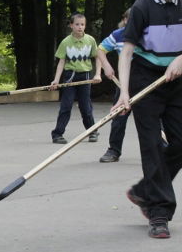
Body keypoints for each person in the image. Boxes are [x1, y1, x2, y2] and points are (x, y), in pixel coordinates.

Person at [116, 0, 182, 239]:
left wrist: (180, 60)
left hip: (172, 81)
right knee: (152, 146)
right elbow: (126, 52)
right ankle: (159, 213)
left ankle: (143, 191)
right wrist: (123, 94)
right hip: (145, 80)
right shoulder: (142, 7)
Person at [49, 12, 100, 144]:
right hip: (70, 76)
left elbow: (98, 57)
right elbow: (61, 62)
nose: (80, 27)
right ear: (71, 25)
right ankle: (57, 134)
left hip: (86, 76)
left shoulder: (90, 40)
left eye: (82, 24)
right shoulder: (65, 42)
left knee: (85, 107)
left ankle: (92, 131)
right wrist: (56, 80)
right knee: (66, 106)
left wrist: (98, 74)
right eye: (77, 24)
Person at [97, 9, 131, 162]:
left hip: (145, 82)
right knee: (118, 117)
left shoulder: (147, 34)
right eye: (130, 20)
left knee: (155, 118)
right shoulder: (118, 35)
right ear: (124, 20)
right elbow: (100, 49)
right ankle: (113, 150)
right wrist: (106, 66)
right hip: (123, 83)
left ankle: (163, 148)